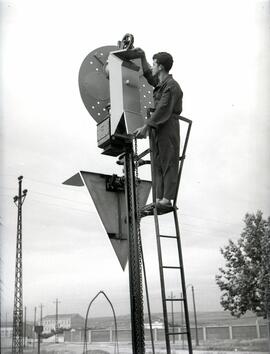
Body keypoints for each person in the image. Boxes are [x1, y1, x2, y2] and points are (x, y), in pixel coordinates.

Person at [133, 49, 183, 208]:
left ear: (160, 67)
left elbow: (163, 108)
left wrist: (147, 125)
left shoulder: (172, 86)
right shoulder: (161, 84)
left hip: (168, 125)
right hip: (158, 125)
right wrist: (141, 56)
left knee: (168, 161)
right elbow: (148, 74)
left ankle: (167, 199)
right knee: (157, 162)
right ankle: (160, 197)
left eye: (154, 64)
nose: (152, 67)